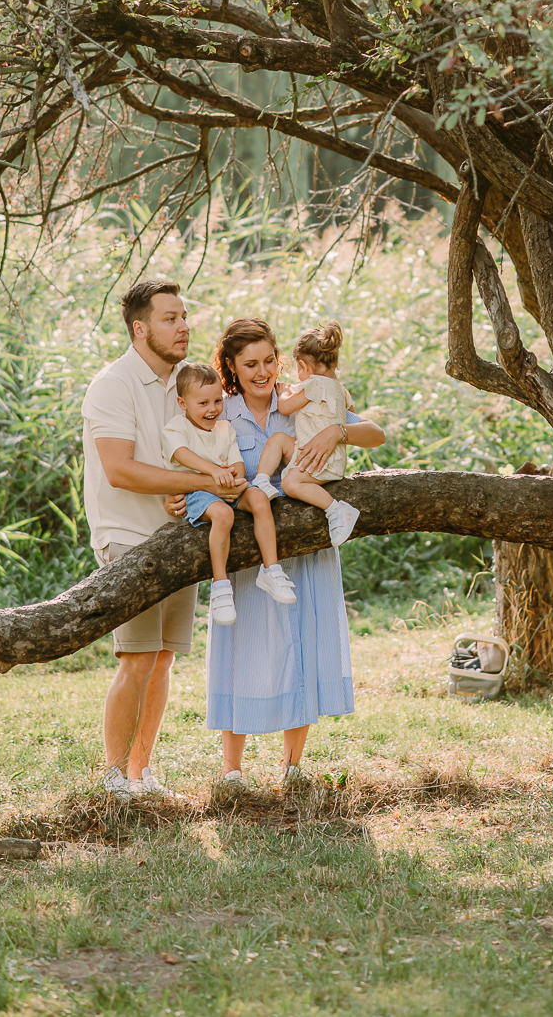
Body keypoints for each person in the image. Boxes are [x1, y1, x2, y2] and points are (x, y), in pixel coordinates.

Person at [165, 318, 384, 788]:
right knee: (240, 649)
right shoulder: (219, 410)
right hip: (247, 555)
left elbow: (375, 433)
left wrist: (336, 432)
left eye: (269, 360)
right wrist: (179, 495)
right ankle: (232, 771)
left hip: (304, 552)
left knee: (300, 645)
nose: (262, 371)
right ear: (231, 367)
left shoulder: (304, 397)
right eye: (250, 364)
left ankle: (293, 766)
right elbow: (188, 460)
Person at [82, 279, 247, 801]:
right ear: (140, 327)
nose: (183, 327)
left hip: (179, 535)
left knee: (163, 659)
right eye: (170, 318)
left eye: (184, 317)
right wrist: (202, 482)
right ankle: (114, 779)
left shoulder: (185, 381)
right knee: (136, 657)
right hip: (127, 538)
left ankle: (141, 774)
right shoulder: (113, 385)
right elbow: (119, 469)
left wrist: (189, 491)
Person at [162, 362, 296, 625]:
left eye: (216, 401)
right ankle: (221, 585)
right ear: (183, 403)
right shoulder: (177, 427)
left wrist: (235, 478)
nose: (212, 409)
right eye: (203, 403)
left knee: (259, 497)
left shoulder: (225, 428)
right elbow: (181, 453)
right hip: (198, 492)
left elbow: (237, 463)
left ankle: (271, 569)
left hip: (228, 486)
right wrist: (213, 471)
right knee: (223, 515)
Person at [254, 319, 361, 547]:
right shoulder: (341, 390)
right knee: (280, 439)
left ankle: (336, 509)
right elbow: (354, 421)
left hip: (320, 461)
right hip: (328, 458)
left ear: (303, 366)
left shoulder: (313, 384)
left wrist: (283, 392)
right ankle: (262, 480)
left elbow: (285, 407)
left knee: (290, 484)